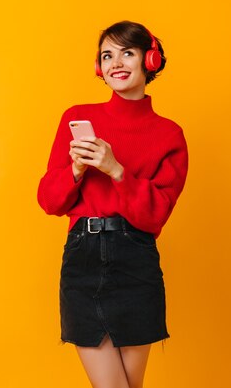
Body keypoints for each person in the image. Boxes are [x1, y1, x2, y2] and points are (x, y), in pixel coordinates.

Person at [37, 20, 188, 388]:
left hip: (135, 261)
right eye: (107, 55)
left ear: (149, 60)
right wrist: (75, 168)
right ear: (98, 68)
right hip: (83, 258)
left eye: (127, 52)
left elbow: (155, 215)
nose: (116, 63)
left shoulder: (169, 134)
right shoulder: (76, 117)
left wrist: (116, 170)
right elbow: (48, 200)